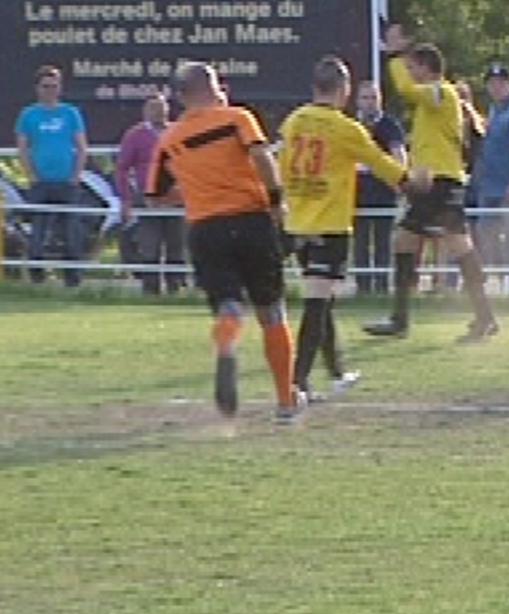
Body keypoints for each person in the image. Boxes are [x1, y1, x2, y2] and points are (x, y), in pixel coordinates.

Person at [145, 62, 300, 423]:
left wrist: (196, 192)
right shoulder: (237, 118)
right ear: (213, 87)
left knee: (228, 305)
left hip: (206, 229)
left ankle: (228, 341)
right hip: (251, 220)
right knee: (272, 311)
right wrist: (276, 200)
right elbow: (261, 156)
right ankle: (285, 401)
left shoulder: (170, 139)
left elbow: (154, 194)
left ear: (181, 97)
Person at [278, 56, 431, 402]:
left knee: (323, 299)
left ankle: (335, 373)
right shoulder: (345, 129)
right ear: (344, 90)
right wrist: (411, 182)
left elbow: (281, 168)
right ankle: (296, 384)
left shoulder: (293, 122)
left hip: (298, 223)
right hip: (329, 225)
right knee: (317, 303)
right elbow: (381, 164)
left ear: (314, 87)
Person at [363, 23, 499, 342]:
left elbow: (407, 90)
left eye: (413, 68)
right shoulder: (437, 99)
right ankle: (407, 319)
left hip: (440, 183)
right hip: (435, 182)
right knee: (422, 243)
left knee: (439, 243)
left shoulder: (441, 92)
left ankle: (478, 317)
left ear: (426, 69)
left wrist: (394, 55)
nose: (409, 74)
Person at [14, 65, 88, 285]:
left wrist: (76, 176)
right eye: (46, 86)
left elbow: (82, 146)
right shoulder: (28, 114)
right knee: (38, 231)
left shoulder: (70, 113)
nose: (50, 91)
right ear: (37, 88)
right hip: (40, 182)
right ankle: (37, 277)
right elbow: (22, 148)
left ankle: (72, 278)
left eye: (54, 86)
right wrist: (31, 176)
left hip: (67, 181)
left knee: (71, 231)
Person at [113, 92, 185, 295]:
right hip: (148, 199)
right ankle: (150, 290)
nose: (158, 112)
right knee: (150, 244)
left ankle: (176, 289)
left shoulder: (178, 132)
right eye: (154, 108)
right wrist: (126, 199)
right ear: (145, 111)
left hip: (176, 198)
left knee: (176, 244)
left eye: (162, 107)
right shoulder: (135, 135)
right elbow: (122, 168)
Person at [473, 61, 509, 289]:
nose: (496, 87)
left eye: (501, 82)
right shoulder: (493, 110)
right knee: (485, 230)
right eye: (492, 83)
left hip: (508, 182)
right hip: (489, 182)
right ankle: (492, 275)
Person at [351, 80, 405, 294]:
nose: (369, 103)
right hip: (358, 194)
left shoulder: (390, 125)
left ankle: (382, 288)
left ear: (380, 99)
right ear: (357, 100)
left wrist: (400, 180)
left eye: (373, 97)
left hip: (383, 193)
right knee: (360, 242)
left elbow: (399, 156)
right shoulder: (352, 126)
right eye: (365, 98)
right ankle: (362, 289)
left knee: (383, 242)